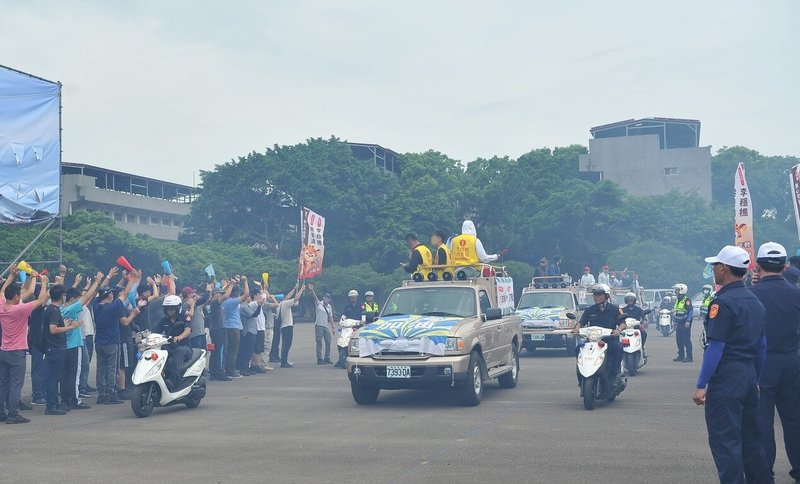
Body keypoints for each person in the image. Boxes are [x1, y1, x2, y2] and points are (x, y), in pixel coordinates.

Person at [692, 245, 771, 484]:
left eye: (715, 265)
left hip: (727, 376)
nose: (713, 270)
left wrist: (701, 384)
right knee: (751, 440)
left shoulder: (722, 303)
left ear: (723, 269)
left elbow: (716, 347)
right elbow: (762, 346)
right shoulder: (754, 301)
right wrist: (755, 379)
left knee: (726, 441)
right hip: (748, 374)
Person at [748, 242, 800, 481]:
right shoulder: (796, 293)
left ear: (757, 266)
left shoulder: (750, 295)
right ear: (785, 265)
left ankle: (763, 473)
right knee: (795, 420)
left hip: (761, 364)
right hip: (793, 361)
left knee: (762, 421)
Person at [0, 269, 49, 424]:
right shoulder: (19, 309)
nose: (21, 297)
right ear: (15, 297)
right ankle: (13, 413)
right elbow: (41, 300)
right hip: (17, 351)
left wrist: (11, 276)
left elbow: (2, 290)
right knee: (16, 384)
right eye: (19, 295)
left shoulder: (2, 306)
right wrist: (44, 283)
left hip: (4, 350)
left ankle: (1, 411)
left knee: (3, 382)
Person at [93, 268, 138, 405]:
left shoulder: (95, 305)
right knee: (112, 368)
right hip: (112, 343)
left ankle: (102, 394)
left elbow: (99, 290)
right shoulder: (114, 307)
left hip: (99, 343)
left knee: (100, 368)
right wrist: (133, 278)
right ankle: (110, 394)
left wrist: (108, 276)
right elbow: (127, 293)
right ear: (109, 297)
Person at [60, 274, 102, 411]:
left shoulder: (61, 309)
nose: (79, 301)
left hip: (64, 346)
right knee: (75, 374)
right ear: (73, 299)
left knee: (66, 374)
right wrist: (96, 281)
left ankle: (66, 399)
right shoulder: (72, 308)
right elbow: (86, 297)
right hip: (74, 345)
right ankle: (76, 400)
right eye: (77, 299)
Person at [573, 284, 625, 382]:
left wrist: (618, 330)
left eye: (599, 295)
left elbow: (622, 323)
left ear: (606, 296)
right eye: (594, 295)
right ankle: (581, 375)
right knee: (578, 348)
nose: (596, 297)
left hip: (609, 341)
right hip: (592, 342)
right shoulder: (589, 310)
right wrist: (576, 329)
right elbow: (581, 323)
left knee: (619, 348)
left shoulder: (614, 309)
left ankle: (614, 375)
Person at [152, 295, 192, 389]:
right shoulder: (164, 320)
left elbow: (187, 330)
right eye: (168, 309)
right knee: (159, 351)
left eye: (172, 309)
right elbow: (155, 332)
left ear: (178, 308)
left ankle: (174, 380)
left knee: (179, 351)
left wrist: (179, 337)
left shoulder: (184, 317)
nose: (170, 311)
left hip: (184, 347)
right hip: (169, 347)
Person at [207, 279, 234, 381]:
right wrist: (231, 285)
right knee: (219, 352)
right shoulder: (214, 302)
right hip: (218, 329)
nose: (222, 295)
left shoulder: (211, 302)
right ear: (215, 294)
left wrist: (228, 285)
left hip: (215, 329)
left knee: (215, 352)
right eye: (220, 293)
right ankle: (219, 372)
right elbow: (226, 296)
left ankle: (214, 372)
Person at [222, 276, 249, 378]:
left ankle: (227, 369)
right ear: (237, 294)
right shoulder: (232, 302)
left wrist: (234, 284)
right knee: (233, 351)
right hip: (233, 328)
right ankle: (230, 371)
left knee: (229, 350)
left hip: (227, 327)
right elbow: (246, 294)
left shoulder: (224, 301)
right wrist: (245, 281)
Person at [277, 283, 304, 368]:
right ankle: (284, 362)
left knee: (284, 344)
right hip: (287, 326)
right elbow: (296, 298)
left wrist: (294, 288)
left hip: (283, 326)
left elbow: (289, 296)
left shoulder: (280, 305)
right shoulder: (285, 304)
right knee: (287, 344)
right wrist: (302, 289)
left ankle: (283, 360)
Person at [236, 289, 261, 376]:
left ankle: (246, 367)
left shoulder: (247, 306)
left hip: (251, 330)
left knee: (249, 351)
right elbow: (254, 314)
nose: (250, 297)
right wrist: (259, 305)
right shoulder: (243, 306)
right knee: (247, 351)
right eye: (249, 296)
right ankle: (243, 368)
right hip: (248, 331)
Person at [310, 284, 334, 365]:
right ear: (323, 298)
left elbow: (330, 317)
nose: (326, 299)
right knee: (319, 341)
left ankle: (327, 357)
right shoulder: (319, 304)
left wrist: (333, 326)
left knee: (328, 341)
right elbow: (315, 297)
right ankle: (319, 358)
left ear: (329, 299)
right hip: (319, 325)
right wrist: (312, 290)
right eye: (325, 297)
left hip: (325, 326)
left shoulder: (329, 307)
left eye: (328, 298)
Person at [672, 283, 694, 362]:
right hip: (679, 322)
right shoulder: (678, 300)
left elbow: (690, 311)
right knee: (679, 339)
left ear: (682, 290)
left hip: (685, 322)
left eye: (677, 290)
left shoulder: (686, 300)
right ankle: (681, 355)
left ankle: (689, 356)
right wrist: (674, 322)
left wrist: (688, 321)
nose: (676, 291)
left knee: (686, 339)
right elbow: (676, 311)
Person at [621, 292, 647, 356]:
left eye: (631, 299)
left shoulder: (638, 309)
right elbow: (618, 317)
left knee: (644, 333)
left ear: (634, 300)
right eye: (628, 299)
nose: (630, 301)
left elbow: (643, 315)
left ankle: (642, 347)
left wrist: (644, 320)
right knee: (617, 337)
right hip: (625, 328)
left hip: (636, 328)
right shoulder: (622, 310)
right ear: (626, 300)